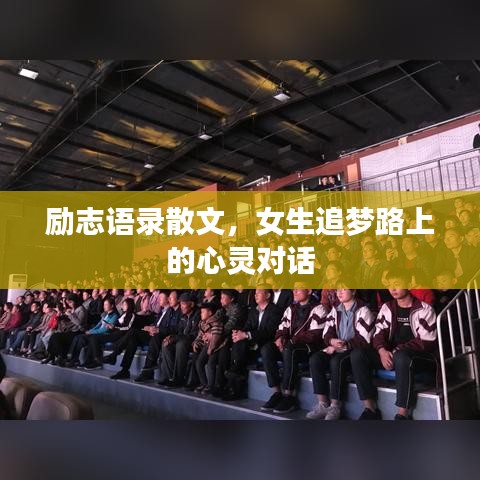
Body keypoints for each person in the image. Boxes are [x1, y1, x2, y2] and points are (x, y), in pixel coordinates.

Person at [350, 269, 437, 420]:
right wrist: (382, 351)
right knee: (358, 354)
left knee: (402, 357)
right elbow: (378, 333)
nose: (393, 288)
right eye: (390, 285)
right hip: (391, 355)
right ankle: (370, 409)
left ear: (408, 285)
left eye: (397, 284)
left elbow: (426, 341)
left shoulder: (424, 309)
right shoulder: (387, 307)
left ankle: (402, 413)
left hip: (419, 358)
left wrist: (397, 350)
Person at [307, 285, 375, 420]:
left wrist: (343, 346)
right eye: (338, 290)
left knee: (336, 361)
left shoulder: (363, 310)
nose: (339, 293)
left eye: (344, 289)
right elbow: (327, 331)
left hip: (354, 349)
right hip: (337, 347)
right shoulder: (335, 309)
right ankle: (322, 403)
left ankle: (335, 405)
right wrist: (331, 340)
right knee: (315, 359)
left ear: (353, 291)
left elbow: (364, 338)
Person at [260, 284, 326, 414]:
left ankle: (288, 395)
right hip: (289, 346)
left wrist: (291, 341)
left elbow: (314, 334)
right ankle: (276, 393)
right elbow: (282, 326)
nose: (294, 291)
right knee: (267, 349)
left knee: (290, 349)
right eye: (293, 289)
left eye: (298, 288)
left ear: (309, 290)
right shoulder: (291, 308)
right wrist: (280, 338)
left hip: (308, 348)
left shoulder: (319, 308)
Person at [223, 286, 283, 401]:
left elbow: (269, 332)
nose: (255, 295)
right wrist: (238, 333)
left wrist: (246, 335)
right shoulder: (254, 310)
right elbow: (248, 326)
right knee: (238, 342)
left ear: (268, 295)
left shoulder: (275, 310)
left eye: (259, 292)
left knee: (241, 346)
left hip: (267, 343)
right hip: (253, 344)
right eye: (255, 293)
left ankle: (233, 384)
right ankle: (234, 387)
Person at [158, 292, 200, 388]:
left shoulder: (198, 315)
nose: (181, 307)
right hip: (182, 340)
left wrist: (176, 338)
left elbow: (194, 335)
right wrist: (171, 337)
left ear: (192, 304)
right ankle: (170, 377)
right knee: (166, 343)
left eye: (183, 304)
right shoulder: (183, 316)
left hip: (193, 342)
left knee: (180, 344)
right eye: (180, 304)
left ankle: (178, 378)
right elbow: (178, 331)